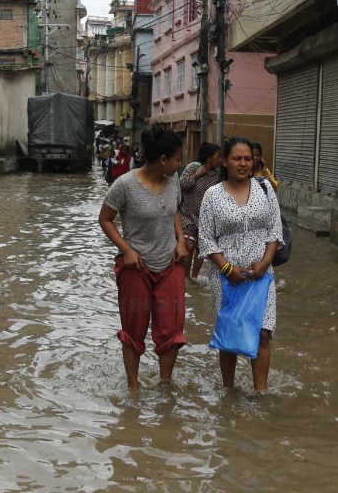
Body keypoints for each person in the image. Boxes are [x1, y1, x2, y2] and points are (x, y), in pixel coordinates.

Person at [98, 124, 189, 389]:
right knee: (134, 329)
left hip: (170, 265)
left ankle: (164, 385)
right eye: (177, 159)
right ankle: (133, 386)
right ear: (162, 160)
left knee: (172, 330)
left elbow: (175, 212)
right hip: (136, 267)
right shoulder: (124, 185)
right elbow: (105, 219)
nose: (179, 164)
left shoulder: (173, 181)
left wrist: (181, 241)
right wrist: (126, 250)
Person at [198, 136, 285, 391]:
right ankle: (229, 390)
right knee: (229, 335)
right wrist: (227, 269)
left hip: (261, 275)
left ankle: (261, 392)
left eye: (248, 158)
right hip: (225, 277)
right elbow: (206, 237)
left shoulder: (266, 189)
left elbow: (274, 231)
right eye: (237, 158)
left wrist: (264, 263)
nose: (244, 163)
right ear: (225, 161)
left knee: (263, 333)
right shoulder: (212, 196)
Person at [178, 142, 223, 279]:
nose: (220, 160)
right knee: (189, 245)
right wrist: (197, 175)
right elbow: (182, 185)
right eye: (218, 156)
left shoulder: (217, 176)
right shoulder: (193, 167)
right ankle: (185, 278)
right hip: (187, 214)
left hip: (205, 218)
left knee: (201, 250)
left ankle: (194, 279)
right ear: (209, 158)